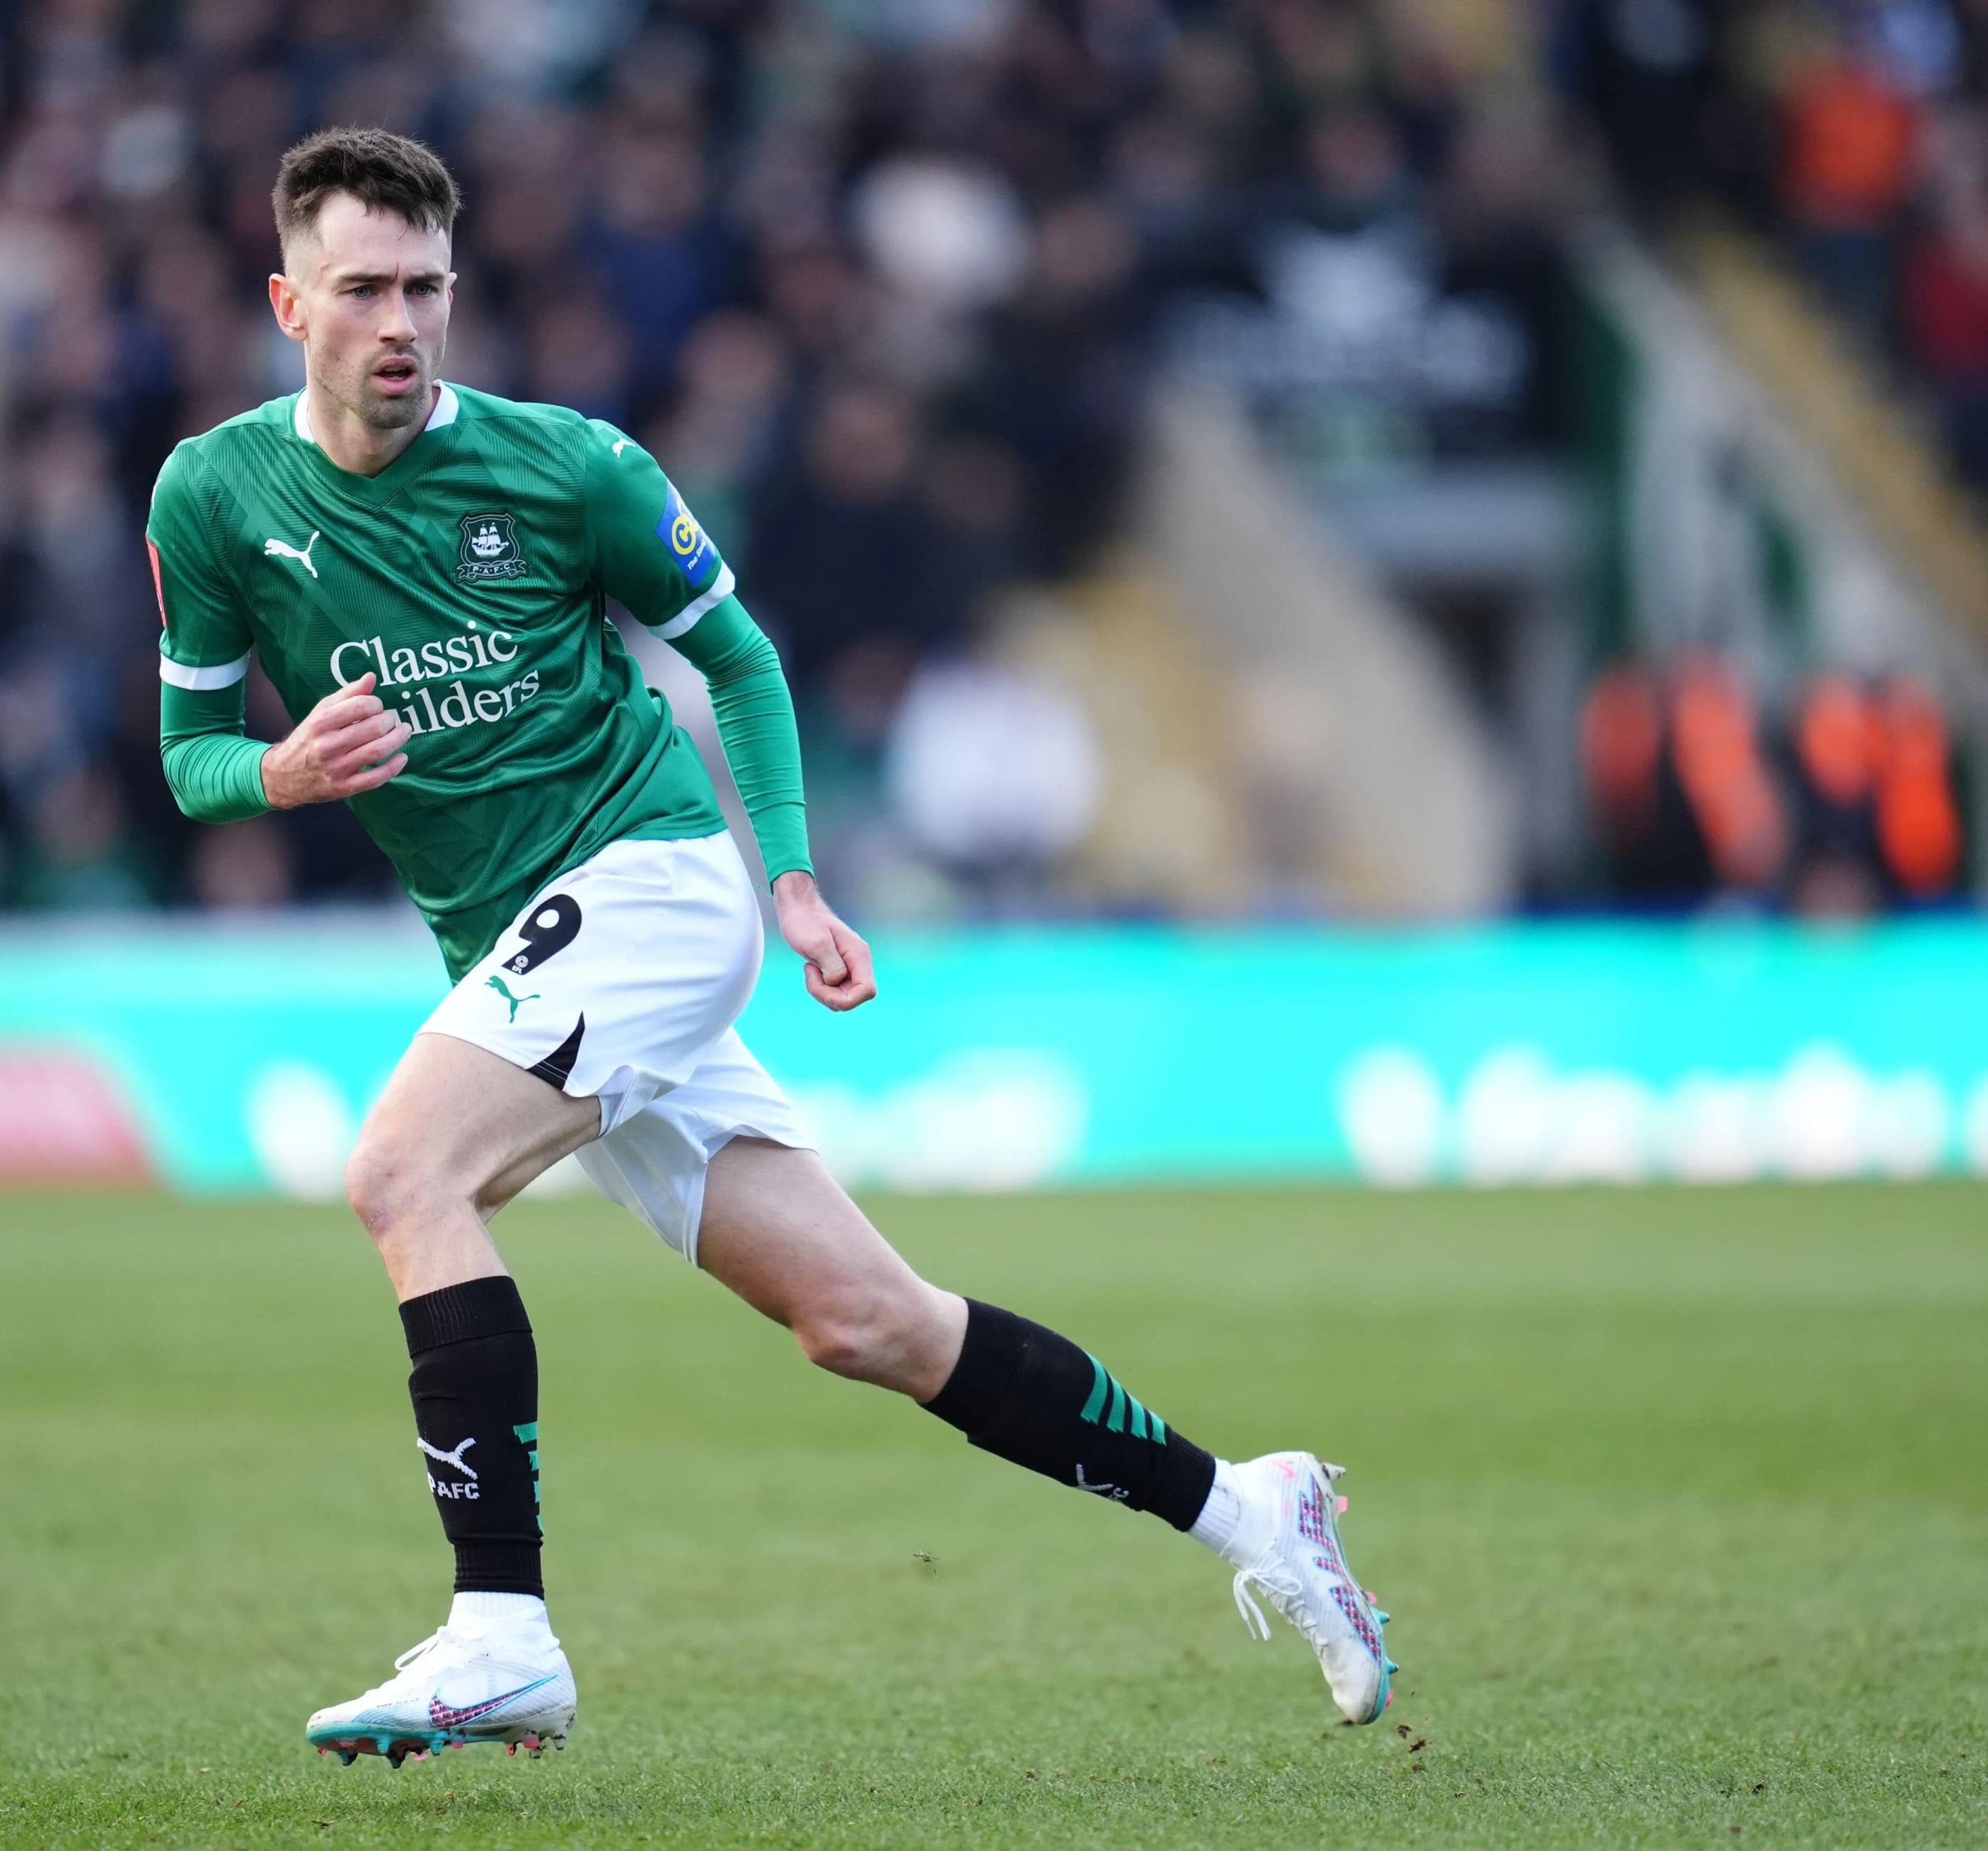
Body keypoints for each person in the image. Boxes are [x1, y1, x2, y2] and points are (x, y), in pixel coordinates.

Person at [148, 128, 1395, 1765]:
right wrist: (281, 770)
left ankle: (501, 1631)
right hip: (522, 946)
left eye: (428, 288)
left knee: (402, 1174)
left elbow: (738, 661)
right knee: (869, 1324)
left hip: (655, 888)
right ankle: (1254, 1509)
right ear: (287, 299)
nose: (401, 321)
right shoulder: (213, 495)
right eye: (364, 288)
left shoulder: (567, 466)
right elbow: (189, 761)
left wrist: (793, 884)